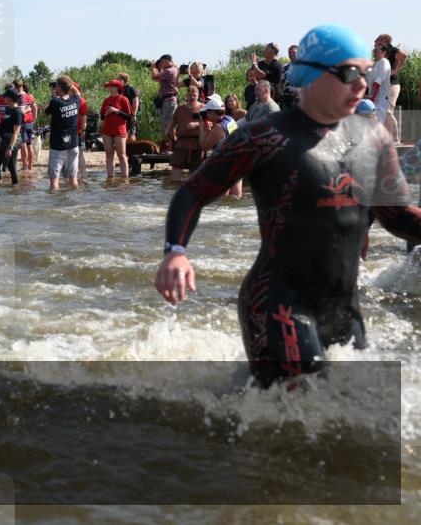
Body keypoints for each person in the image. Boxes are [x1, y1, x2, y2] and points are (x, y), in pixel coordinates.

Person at [155, 24, 421, 388]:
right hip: (278, 304)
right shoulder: (264, 136)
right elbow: (194, 192)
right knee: (301, 403)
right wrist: (175, 252)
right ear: (313, 75)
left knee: (351, 409)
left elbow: (398, 215)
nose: (361, 84)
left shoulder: (374, 139)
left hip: (343, 309)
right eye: (349, 74)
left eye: (365, 73)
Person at [44, 75, 84, 190]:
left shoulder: (55, 102)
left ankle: (54, 201)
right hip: (73, 145)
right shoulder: (76, 100)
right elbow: (77, 93)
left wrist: (55, 94)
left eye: (56, 86)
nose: (55, 88)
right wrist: (69, 84)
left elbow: (46, 114)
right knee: (73, 179)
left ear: (60, 88)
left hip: (58, 146)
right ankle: (76, 198)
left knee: (54, 181)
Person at [166, 84, 205, 182]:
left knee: (195, 169)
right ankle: (174, 188)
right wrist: (169, 131)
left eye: (194, 95)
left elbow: (210, 123)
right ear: (186, 95)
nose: (192, 97)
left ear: (198, 95)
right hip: (182, 142)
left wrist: (196, 124)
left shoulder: (203, 107)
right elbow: (173, 122)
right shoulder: (180, 108)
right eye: (190, 95)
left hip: (198, 142)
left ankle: (192, 188)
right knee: (176, 165)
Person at [100, 78, 132, 178]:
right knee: (109, 155)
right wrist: (106, 113)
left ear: (117, 87)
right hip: (107, 130)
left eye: (111, 86)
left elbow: (129, 117)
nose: (109, 88)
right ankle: (110, 179)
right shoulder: (106, 100)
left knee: (122, 155)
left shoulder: (124, 99)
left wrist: (116, 111)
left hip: (120, 130)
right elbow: (102, 117)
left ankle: (125, 179)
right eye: (109, 86)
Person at [151, 54, 179, 152]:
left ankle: (171, 148)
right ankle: (170, 147)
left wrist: (153, 67)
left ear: (166, 61)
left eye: (161, 62)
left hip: (169, 101)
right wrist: (158, 68)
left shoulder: (169, 71)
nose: (160, 65)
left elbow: (154, 77)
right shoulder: (172, 70)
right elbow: (157, 79)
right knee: (167, 125)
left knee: (169, 125)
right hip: (167, 101)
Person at [368, 39, 393, 133]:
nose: (374, 50)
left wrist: (372, 98)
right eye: (374, 48)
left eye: (377, 49)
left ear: (384, 52)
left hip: (380, 100)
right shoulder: (377, 63)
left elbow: (378, 82)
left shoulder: (384, 61)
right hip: (376, 99)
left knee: (375, 127)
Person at [16, 81, 37, 171]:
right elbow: (35, 108)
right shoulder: (30, 96)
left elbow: (20, 111)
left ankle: (24, 166)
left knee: (23, 145)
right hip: (30, 122)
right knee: (29, 144)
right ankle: (30, 167)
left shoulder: (18, 97)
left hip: (23, 123)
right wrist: (34, 119)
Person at [118, 72, 141, 141]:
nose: (118, 81)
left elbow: (136, 102)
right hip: (123, 115)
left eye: (119, 79)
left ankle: (133, 146)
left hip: (130, 115)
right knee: (123, 134)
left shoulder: (131, 88)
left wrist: (134, 114)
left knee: (131, 134)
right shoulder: (121, 90)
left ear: (124, 80)